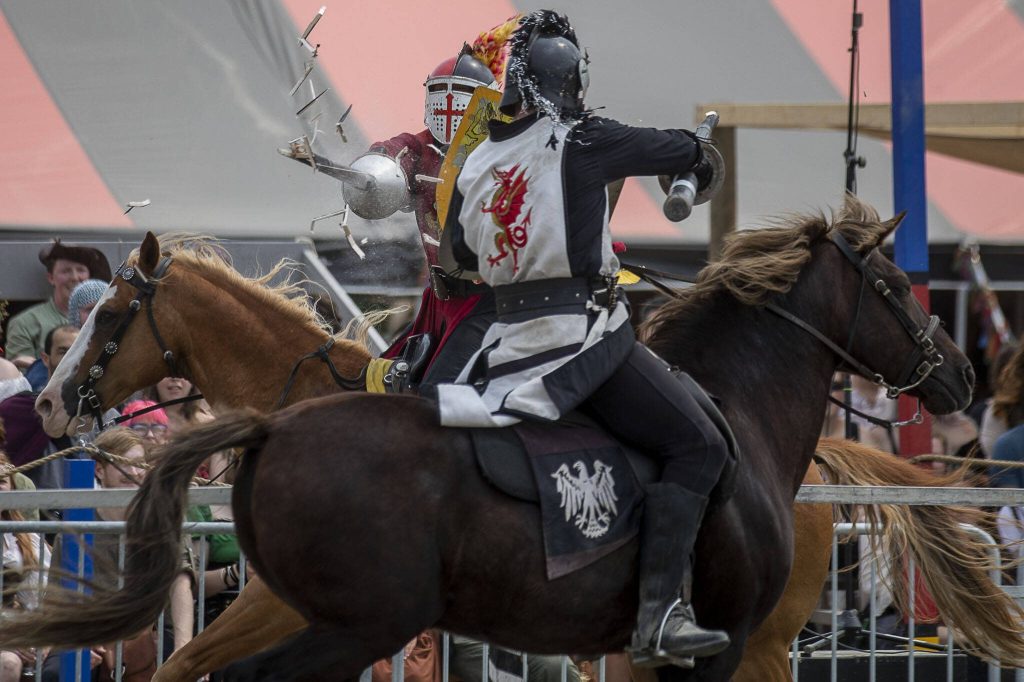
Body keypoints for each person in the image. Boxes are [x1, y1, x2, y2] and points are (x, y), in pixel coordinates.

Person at [432, 10, 731, 668]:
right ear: (572, 81)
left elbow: (458, 257)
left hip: (501, 344)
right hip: (579, 338)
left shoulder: (478, 159)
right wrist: (699, 154)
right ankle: (658, 618)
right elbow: (677, 148)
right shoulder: (584, 139)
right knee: (699, 443)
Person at [4, 240, 111, 369]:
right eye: (66, 271)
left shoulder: (103, 318)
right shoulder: (25, 323)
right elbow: (20, 378)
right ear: (51, 278)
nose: (75, 277)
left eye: (81, 270)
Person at [0, 451, 51, 680]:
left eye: (1, 481)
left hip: (14, 629)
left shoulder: (23, 537)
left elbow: (37, 597)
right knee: (8, 663)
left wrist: (39, 636)